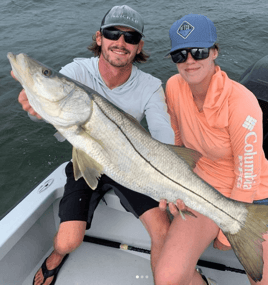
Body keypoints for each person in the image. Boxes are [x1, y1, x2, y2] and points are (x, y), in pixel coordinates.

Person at [11, 5, 175, 285]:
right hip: (86, 158)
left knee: (163, 230)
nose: (121, 43)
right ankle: (55, 257)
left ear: (139, 47)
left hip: (130, 165)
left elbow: (162, 134)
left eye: (130, 37)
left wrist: (169, 177)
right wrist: (34, 106)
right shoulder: (77, 71)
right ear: (99, 37)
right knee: (67, 241)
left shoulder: (150, 85)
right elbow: (54, 101)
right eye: (113, 33)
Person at [156, 14, 268, 285]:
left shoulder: (242, 103)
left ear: (214, 52)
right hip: (203, 187)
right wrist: (177, 188)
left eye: (199, 51)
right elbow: (178, 143)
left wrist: (225, 234)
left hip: (253, 193)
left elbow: (248, 176)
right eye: (180, 55)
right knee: (167, 278)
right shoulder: (172, 87)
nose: (190, 60)